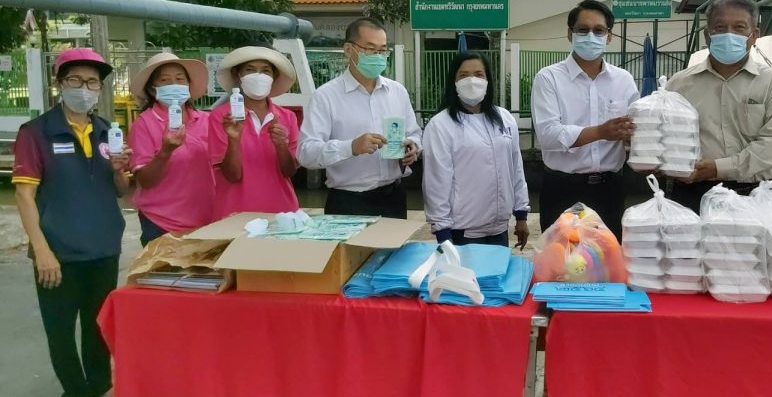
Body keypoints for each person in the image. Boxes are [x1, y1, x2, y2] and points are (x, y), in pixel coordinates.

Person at [12, 48, 131, 397]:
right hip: (58, 252)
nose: (84, 88)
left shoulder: (107, 130)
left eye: (92, 82)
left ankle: (101, 390)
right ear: (60, 84)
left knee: (98, 325)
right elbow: (25, 196)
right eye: (75, 80)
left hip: (103, 246)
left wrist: (120, 171)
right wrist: (42, 250)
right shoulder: (36, 133)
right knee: (61, 330)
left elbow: (121, 191)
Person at [667, 0, 772, 212]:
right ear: (707, 35)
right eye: (720, 28)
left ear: (754, 35)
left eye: (739, 28)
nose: (729, 35)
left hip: (752, 194)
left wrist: (718, 168)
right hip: (690, 193)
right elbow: (665, 136)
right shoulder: (679, 84)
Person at [531, 0, 639, 240]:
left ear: (609, 36)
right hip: (563, 189)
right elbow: (548, 135)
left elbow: (635, 132)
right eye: (583, 29)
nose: (591, 36)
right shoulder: (549, 78)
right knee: (561, 258)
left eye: (599, 30)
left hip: (609, 190)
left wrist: (636, 137)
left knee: (609, 258)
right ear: (570, 34)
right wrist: (601, 132)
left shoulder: (623, 80)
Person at [298, 17, 421, 218]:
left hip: (394, 197)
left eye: (382, 50)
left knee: (395, 241)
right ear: (349, 50)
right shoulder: (325, 96)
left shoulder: (397, 91)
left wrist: (413, 146)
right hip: (348, 201)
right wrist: (351, 147)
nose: (378, 56)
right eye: (370, 49)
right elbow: (306, 153)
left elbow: (414, 133)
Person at [422, 52, 530, 248]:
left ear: (488, 80)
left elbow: (515, 169)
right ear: (454, 81)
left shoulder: (505, 119)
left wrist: (521, 215)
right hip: (462, 232)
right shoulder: (441, 125)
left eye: (479, 75)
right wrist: (442, 232)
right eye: (463, 75)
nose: (472, 81)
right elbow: (436, 183)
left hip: (499, 229)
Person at [127, 52, 215, 245]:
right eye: (165, 80)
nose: (173, 85)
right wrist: (165, 152)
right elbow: (145, 180)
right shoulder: (144, 124)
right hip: (162, 223)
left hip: (207, 221)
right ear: (153, 89)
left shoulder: (207, 120)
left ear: (189, 85)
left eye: (179, 79)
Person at [208, 46, 300, 219]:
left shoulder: (287, 117)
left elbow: (289, 172)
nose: (258, 76)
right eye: (250, 70)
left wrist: (281, 145)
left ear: (273, 77)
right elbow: (232, 175)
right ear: (238, 75)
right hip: (234, 215)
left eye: (265, 71)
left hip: (282, 214)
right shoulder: (222, 117)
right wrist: (234, 140)